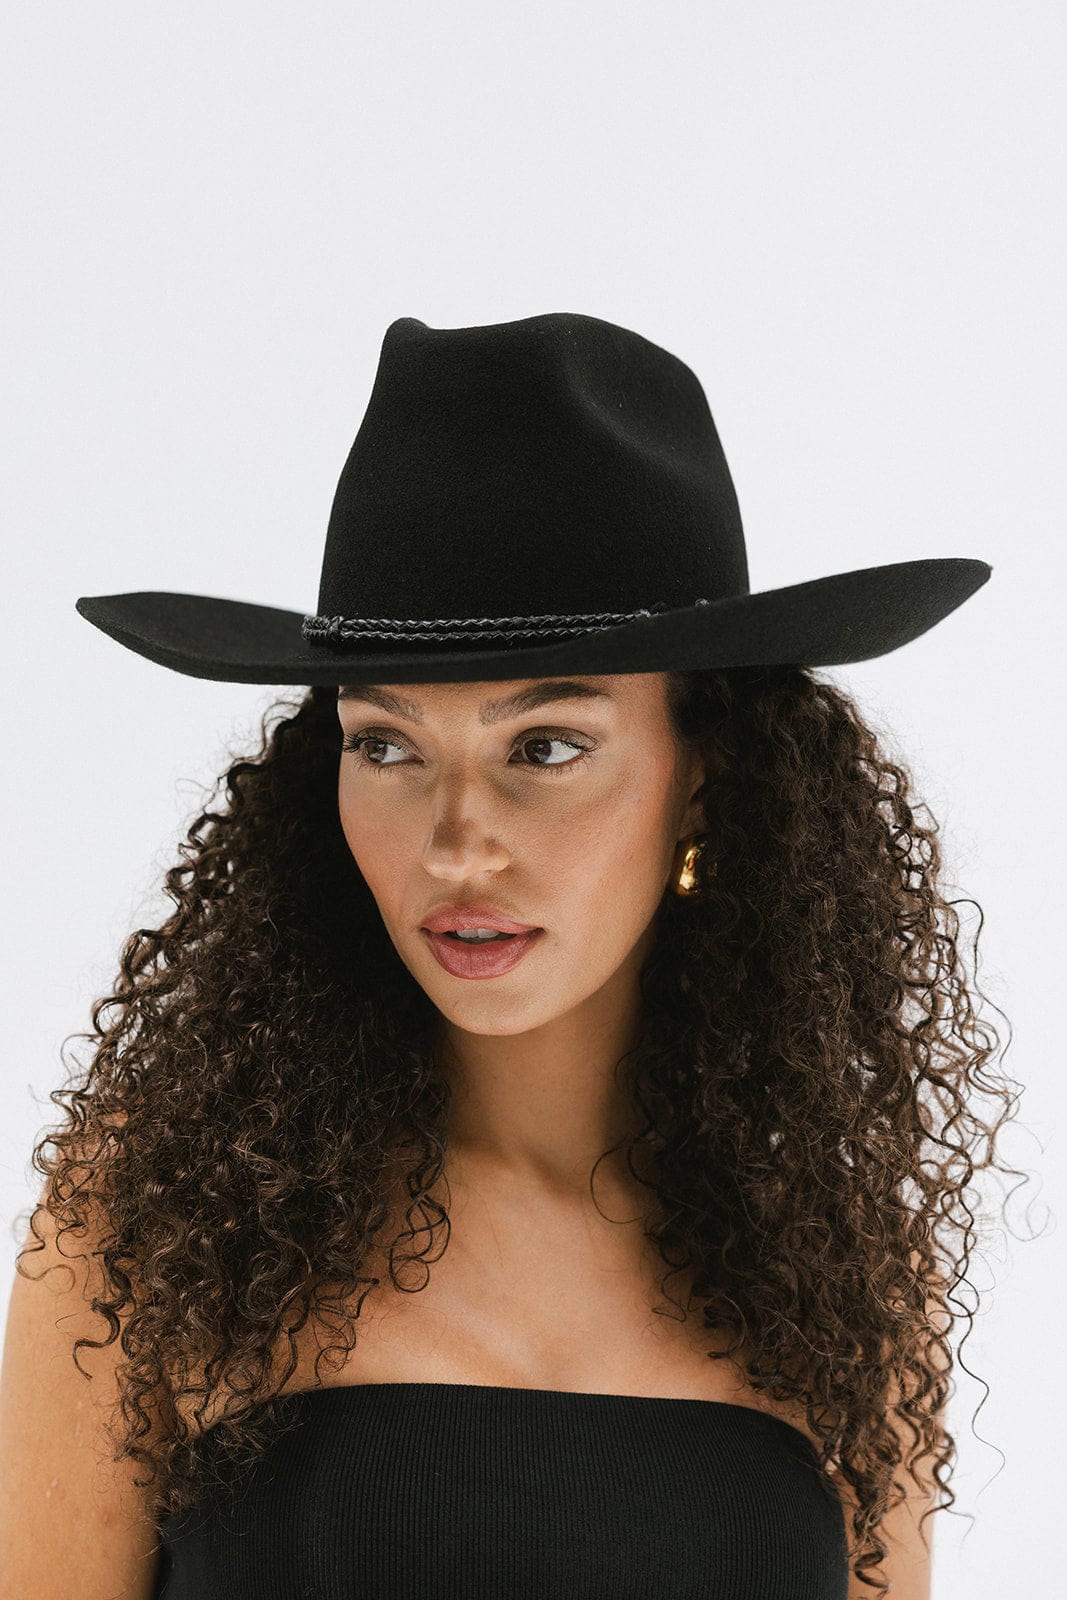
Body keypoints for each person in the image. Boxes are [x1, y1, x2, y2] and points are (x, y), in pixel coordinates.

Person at [0, 312, 1018, 1599]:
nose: (455, 843)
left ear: (703, 781)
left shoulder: (842, 1271)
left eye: (542, 747)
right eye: (385, 745)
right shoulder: (165, 1216)